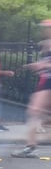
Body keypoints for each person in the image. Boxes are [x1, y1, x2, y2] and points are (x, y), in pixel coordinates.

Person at [11, 20, 51, 158]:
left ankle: (31, 147)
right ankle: (31, 146)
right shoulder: (47, 44)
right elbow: (46, 63)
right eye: (44, 28)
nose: (45, 30)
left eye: (47, 28)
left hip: (49, 82)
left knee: (34, 112)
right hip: (46, 82)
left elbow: (47, 65)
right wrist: (34, 65)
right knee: (36, 112)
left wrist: (43, 66)